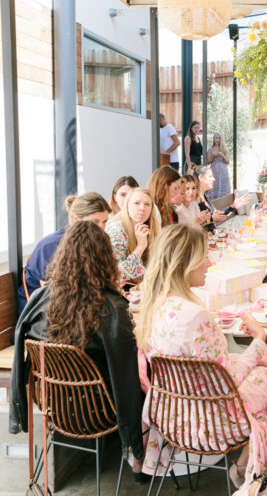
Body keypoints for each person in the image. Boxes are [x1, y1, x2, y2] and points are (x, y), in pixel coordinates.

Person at [134, 225, 267, 483]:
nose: (210, 262)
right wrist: (259, 341)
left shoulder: (152, 306)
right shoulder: (196, 315)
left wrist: (257, 356)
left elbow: (201, 370)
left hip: (172, 412)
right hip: (210, 420)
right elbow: (229, 379)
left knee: (264, 369)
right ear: (186, 262)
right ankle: (247, 468)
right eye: (203, 256)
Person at [11, 222, 145, 476]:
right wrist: (134, 445)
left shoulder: (40, 297)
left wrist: (18, 413)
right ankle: (140, 463)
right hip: (100, 409)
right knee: (146, 376)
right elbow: (125, 378)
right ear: (105, 258)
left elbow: (20, 339)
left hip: (54, 404)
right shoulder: (113, 307)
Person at [17, 191, 110, 314]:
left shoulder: (92, 242)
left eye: (104, 221)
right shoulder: (51, 246)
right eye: (95, 222)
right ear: (76, 219)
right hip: (41, 318)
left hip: (74, 309)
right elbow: (53, 296)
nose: (101, 228)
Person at [106, 187, 160, 285]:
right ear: (127, 206)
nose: (142, 208)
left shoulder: (150, 228)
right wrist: (141, 246)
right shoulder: (116, 231)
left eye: (147, 204)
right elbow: (118, 274)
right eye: (136, 203)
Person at [196, 165, 250, 233]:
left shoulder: (206, 197)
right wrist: (211, 218)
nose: (214, 179)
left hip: (211, 238)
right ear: (201, 178)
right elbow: (193, 224)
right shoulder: (194, 200)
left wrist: (233, 206)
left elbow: (219, 216)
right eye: (210, 176)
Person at [206, 132, 231, 198]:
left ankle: (224, 204)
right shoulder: (210, 149)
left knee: (223, 187)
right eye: (216, 138)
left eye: (219, 138)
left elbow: (228, 162)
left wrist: (222, 155)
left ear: (221, 139)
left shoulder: (225, 149)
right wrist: (213, 156)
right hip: (214, 171)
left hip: (223, 172)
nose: (217, 140)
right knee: (214, 187)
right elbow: (208, 162)